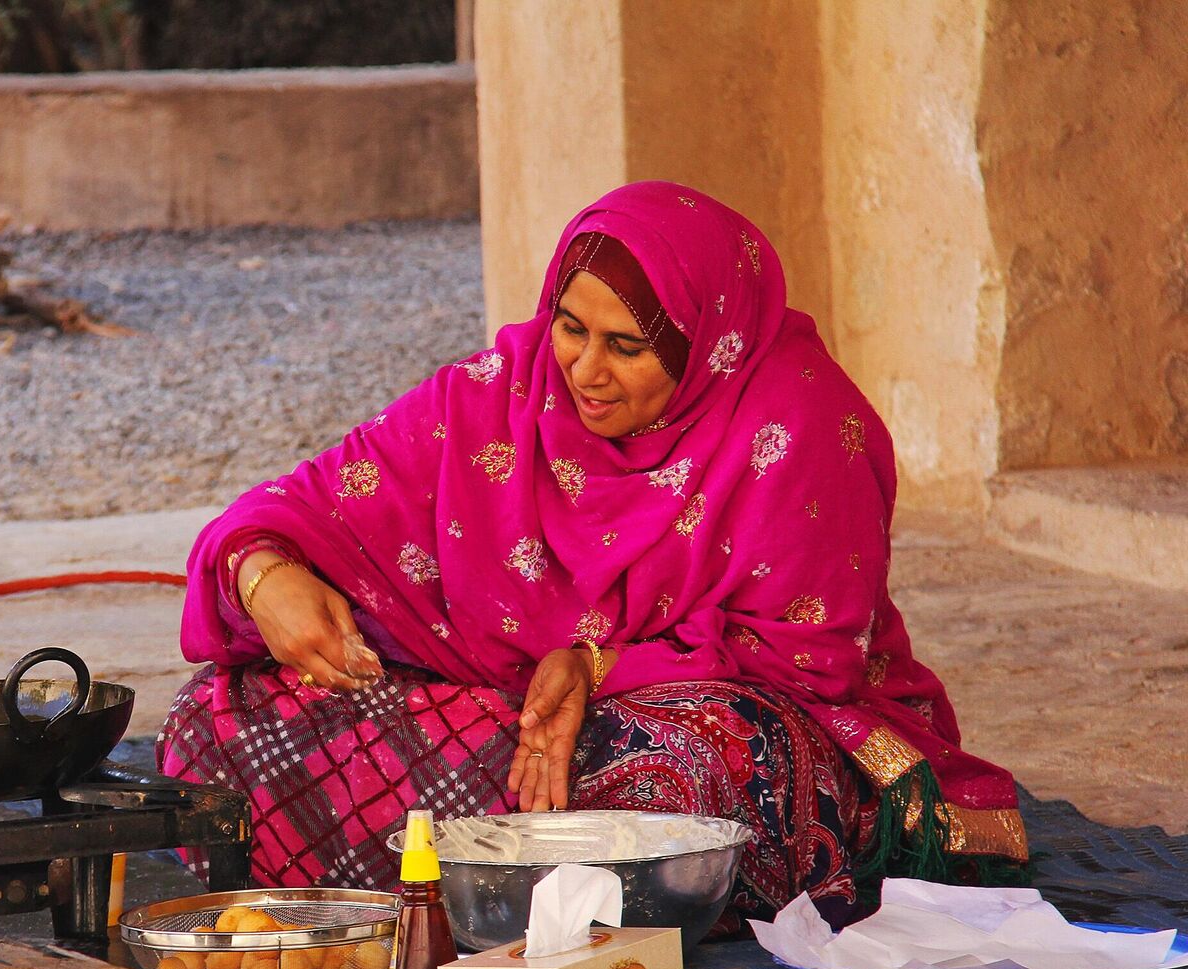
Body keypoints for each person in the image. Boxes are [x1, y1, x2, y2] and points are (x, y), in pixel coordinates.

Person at [159, 181, 1027, 931]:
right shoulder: (500, 393)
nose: (583, 371)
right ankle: (513, 892)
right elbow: (297, 505)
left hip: (695, 724)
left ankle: (451, 883)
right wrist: (264, 575)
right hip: (495, 716)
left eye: (628, 346)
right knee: (214, 719)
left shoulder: (798, 428)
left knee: (673, 780)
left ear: (704, 345)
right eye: (571, 328)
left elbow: (806, 659)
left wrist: (600, 664)